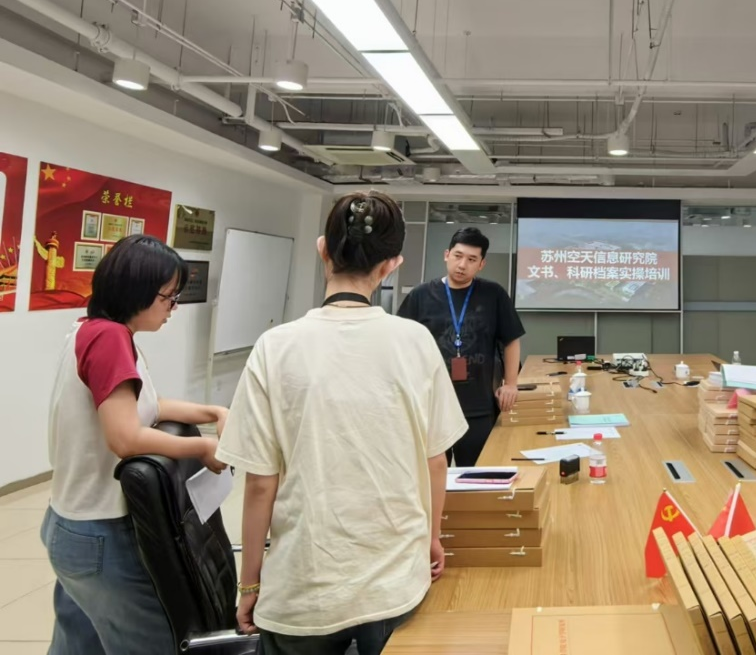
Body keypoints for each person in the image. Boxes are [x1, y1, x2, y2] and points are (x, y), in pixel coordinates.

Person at [217, 192, 468, 655]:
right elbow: (436, 462)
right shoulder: (415, 341)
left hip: (304, 587)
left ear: (323, 250)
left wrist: (250, 584)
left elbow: (259, 484)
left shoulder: (275, 346)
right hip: (395, 579)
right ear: (391, 264)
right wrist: (431, 538)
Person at [42, 234, 228, 655]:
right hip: (101, 533)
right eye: (168, 297)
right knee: (152, 645)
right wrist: (202, 449)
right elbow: (125, 437)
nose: (173, 308)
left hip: (71, 524)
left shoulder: (91, 330)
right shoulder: (109, 339)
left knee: (79, 646)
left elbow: (149, 405)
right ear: (136, 291)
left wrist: (213, 411)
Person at [398, 226, 525, 466]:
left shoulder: (493, 294)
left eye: (471, 259)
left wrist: (511, 384)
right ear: (447, 255)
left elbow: (511, 339)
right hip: (432, 407)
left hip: (479, 406)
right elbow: (402, 344)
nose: (462, 265)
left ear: (481, 264)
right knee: (432, 476)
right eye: (458, 256)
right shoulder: (420, 295)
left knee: (477, 475)